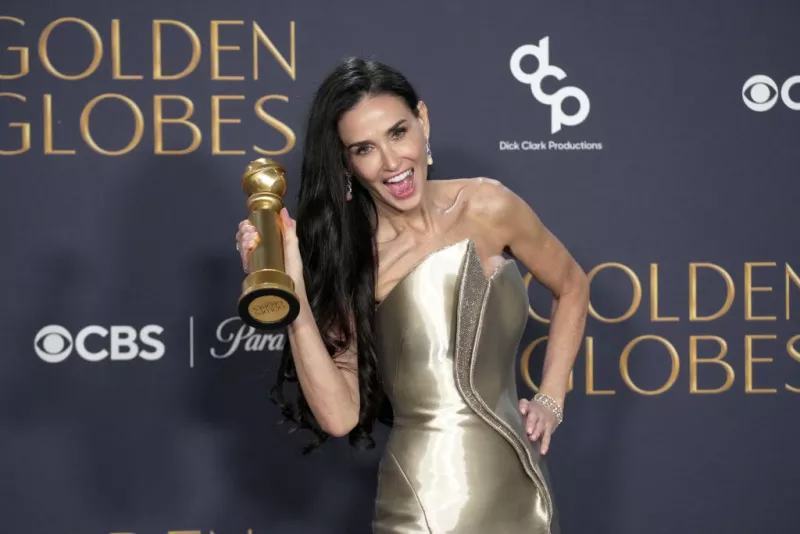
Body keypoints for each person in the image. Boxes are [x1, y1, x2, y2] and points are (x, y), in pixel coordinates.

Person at [235, 57, 589, 534]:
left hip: (521, 492)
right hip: (426, 501)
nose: (391, 163)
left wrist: (551, 398)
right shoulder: (353, 260)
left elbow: (571, 285)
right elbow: (340, 417)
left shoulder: (488, 205)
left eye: (398, 133)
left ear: (422, 121)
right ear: (346, 162)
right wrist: (295, 300)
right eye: (364, 148)